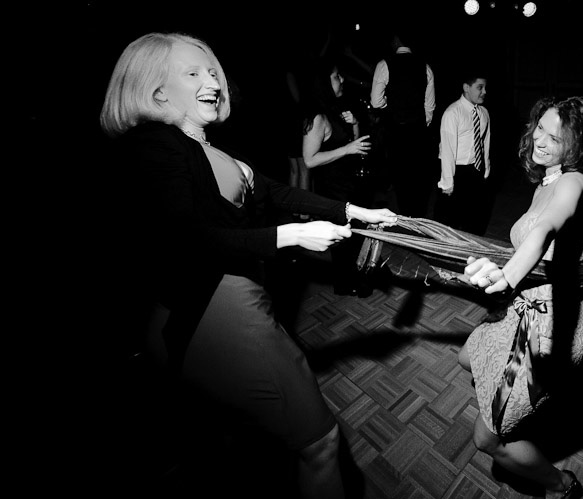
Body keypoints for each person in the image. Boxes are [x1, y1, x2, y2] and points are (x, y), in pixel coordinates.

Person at [99, 32, 398, 499]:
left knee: (246, 441)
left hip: (241, 299)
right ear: (157, 92)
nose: (212, 82)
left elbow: (279, 192)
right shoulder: (155, 145)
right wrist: (292, 235)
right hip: (213, 311)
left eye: (212, 71)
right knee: (321, 443)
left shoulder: (209, 148)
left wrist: (353, 212)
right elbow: (184, 239)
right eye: (192, 73)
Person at [458, 96, 583, 499]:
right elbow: (533, 244)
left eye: (555, 137)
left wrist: (506, 279)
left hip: (547, 327)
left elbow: (542, 233)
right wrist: (494, 264)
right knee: (467, 356)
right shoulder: (551, 177)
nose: (540, 139)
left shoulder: (575, 183)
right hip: (526, 305)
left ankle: (560, 485)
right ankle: (529, 412)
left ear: (578, 145)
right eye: (540, 127)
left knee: (486, 440)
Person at [301, 56, 376, 296]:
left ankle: (351, 278)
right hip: (333, 188)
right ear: (324, 82)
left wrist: (354, 124)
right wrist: (346, 149)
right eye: (336, 76)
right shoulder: (317, 118)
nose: (341, 79)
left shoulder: (333, 109)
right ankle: (345, 284)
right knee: (344, 238)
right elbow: (310, 159)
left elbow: (353, 145)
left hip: (348, 182)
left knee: (354, 234)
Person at [370, 27, 436, 218]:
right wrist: (421, 123)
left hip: (395, 129)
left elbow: (376, 101)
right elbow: (429, 106)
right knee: (418, 176)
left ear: (396, 41)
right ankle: (417, 215)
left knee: (400, 176)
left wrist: (391, 109)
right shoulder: (425, 66)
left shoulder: (385, 64)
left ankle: (406, 216)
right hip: (418, 129)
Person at [436, 73, 492, 235]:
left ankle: (469, 251)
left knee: (474, 218)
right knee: (450, 220)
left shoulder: (483, 113)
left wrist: (486, 167)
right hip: (456, 171)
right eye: (480, 87)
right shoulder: (453, 113)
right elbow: (447, 150)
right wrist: (448, 182)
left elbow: (485, 141)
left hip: (475, 170)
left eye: (485, 88)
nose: (484, 92)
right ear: (466, 88)